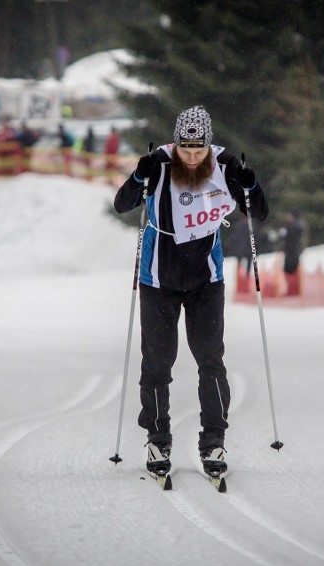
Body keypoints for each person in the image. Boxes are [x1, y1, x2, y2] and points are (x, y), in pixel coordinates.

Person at [113, 105, 269, 479]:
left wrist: (249, 183)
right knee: (158, 362)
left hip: (206, 280)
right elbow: (122, 204)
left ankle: (213, 440)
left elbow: (258, 211)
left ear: (208, 146)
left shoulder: (224, 165)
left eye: (199, 151)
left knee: (210, 360)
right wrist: (138, 177)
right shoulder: (160, 162)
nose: (193, 157)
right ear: (177, 144)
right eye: (187, 150)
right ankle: (157, 436)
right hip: (158, 279)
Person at [279, 208, 306, 296]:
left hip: (292, 252)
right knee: (290, 270)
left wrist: (283, 235)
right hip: (293, 251)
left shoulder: (295, 225)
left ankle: (292, 290)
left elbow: (291, 238)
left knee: (290, 270)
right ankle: (292, 290)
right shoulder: (296, 224)